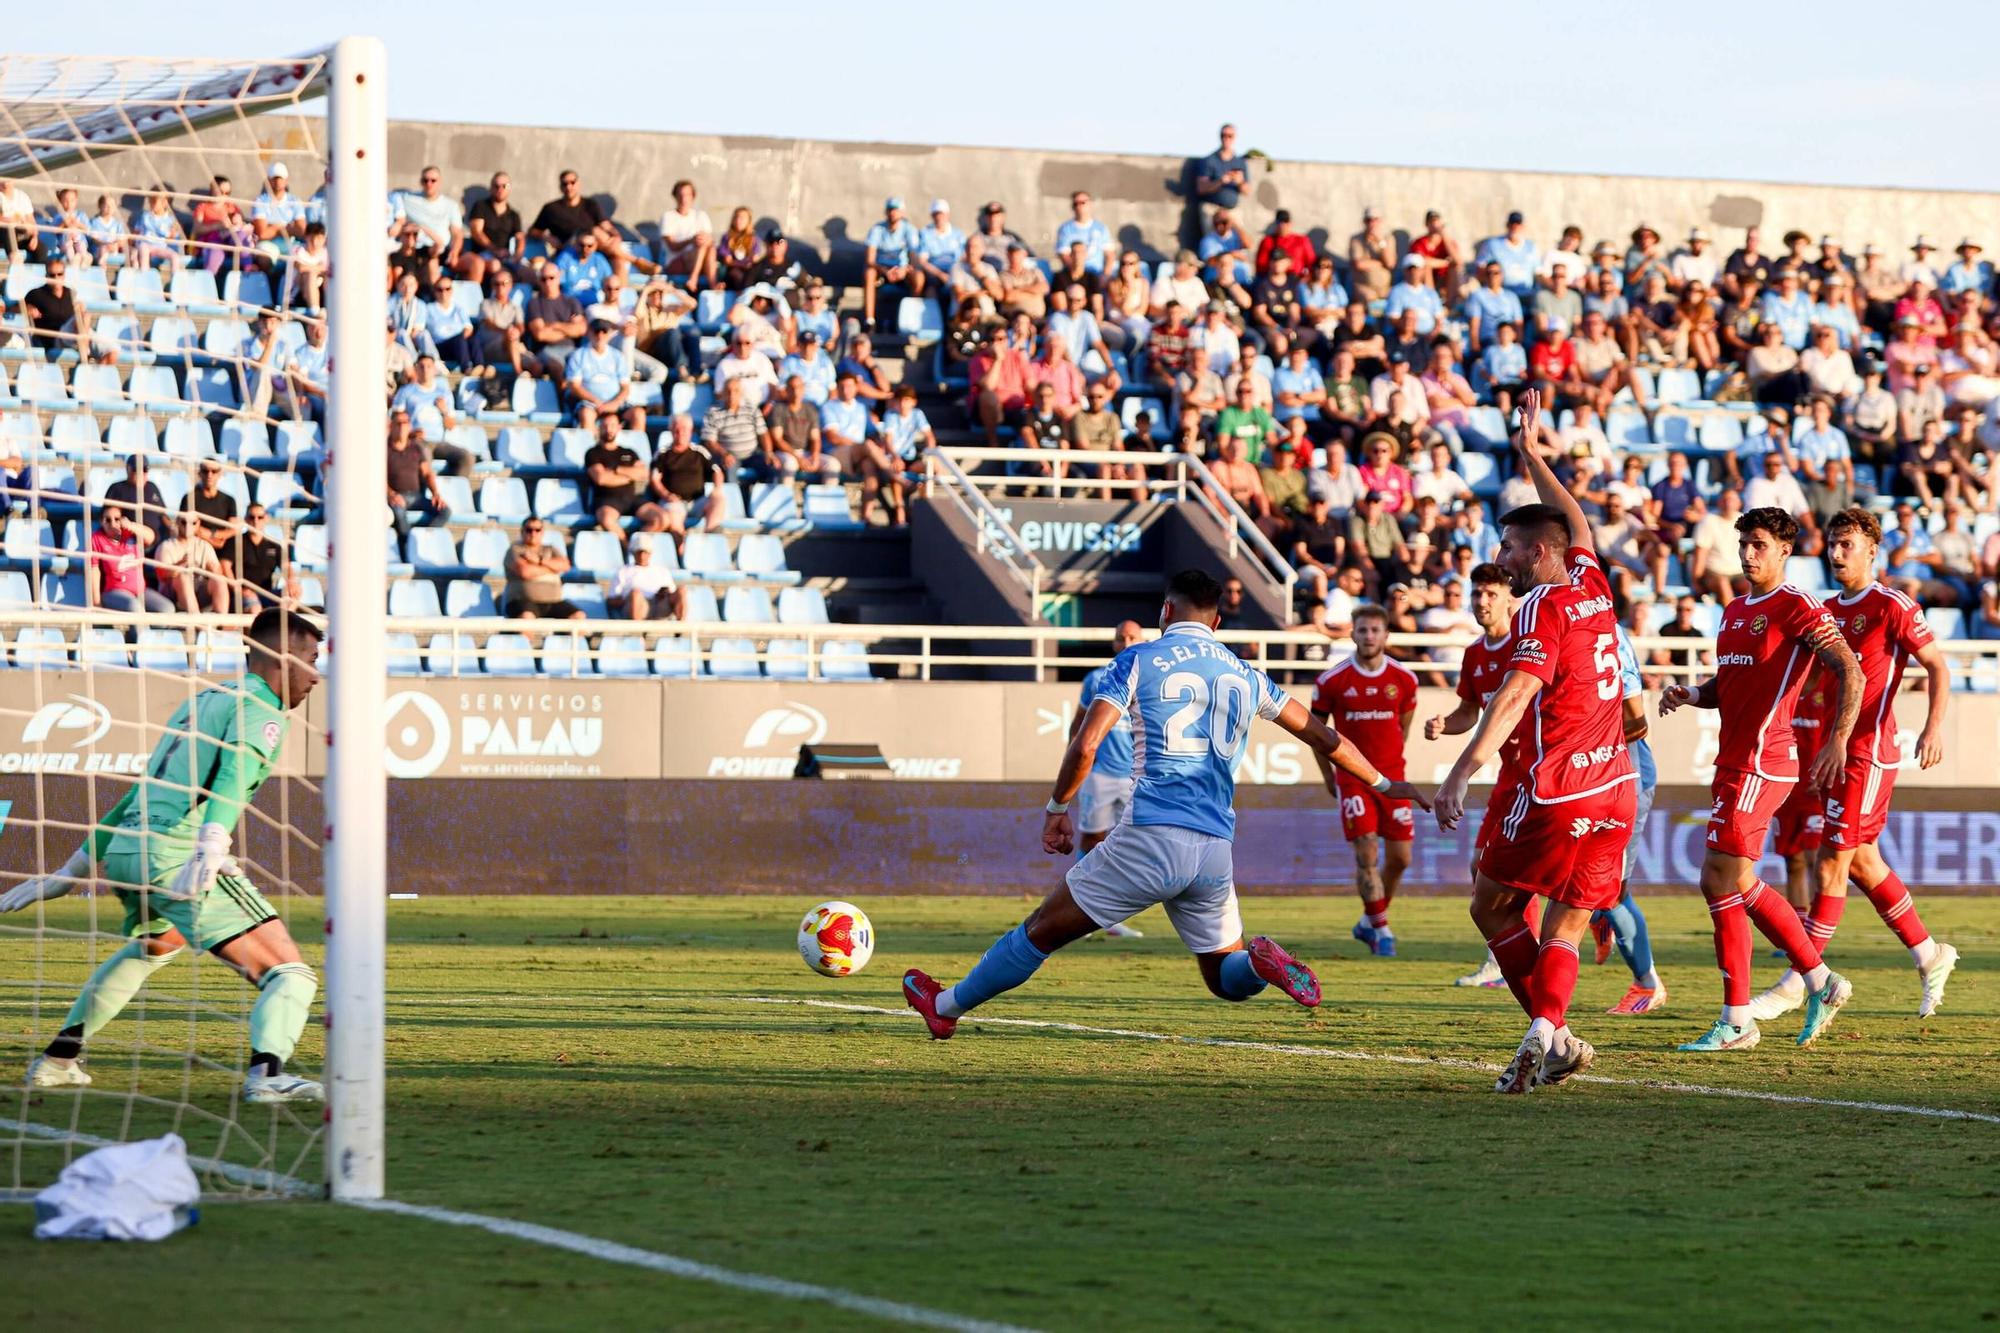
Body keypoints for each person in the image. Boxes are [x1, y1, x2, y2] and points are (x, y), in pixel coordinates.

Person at [900, 570, 1431, 1039]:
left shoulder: (1138, 658)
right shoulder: (1245, 673)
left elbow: (1086, 744)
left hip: (1150, 833)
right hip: (1214, 849)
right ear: (1218, 621)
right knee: (1225, 978)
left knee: (1041, 929)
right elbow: (1322, 735)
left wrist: (1056, 807)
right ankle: (1261, 967)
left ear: (1165, 612)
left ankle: (944, 1007)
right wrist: (1384, 784)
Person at [6, 609, 328, 1105]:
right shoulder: (263, 712)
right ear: (282, 659)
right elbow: (233, 776)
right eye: (311, 659)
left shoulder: (202, 702)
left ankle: (57, 1060)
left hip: (128, 853)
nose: (315, 674)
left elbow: (138, 795)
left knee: (157, 944)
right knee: (290, 973)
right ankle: (268, 1075)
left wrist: (71, 870)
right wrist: (214, 841)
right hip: (178, 855)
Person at [1432, 388, 1637, 1094]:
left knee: (1489, 905)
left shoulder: (1544, 606)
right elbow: (1577, 516)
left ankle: (1547, 1035)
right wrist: (1530, 454)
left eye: (1512, 548)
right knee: (1567, 924)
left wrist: (1461, 770)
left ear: (1539, 552)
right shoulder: (1593, 583)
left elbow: (1517, 693)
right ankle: (1552, 1037)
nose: (1504, 558)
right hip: (1618, 787)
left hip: (1557, 786)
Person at [1657, 506, 1863, 1052]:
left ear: (1785, 551)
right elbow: (1728, 685)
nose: (1749, 554)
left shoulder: (1795, 604)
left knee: (1717, 879)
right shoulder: (1732, 610)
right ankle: (1820, 981)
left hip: (1762, 760)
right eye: (1744, 544)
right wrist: (1692, 694)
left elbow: (1850, 667)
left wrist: (1839, 738)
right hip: (1733, 760)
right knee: (1738, 882)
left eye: (1759, 545)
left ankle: (1737, 1019)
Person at [1745, 508, 1959, 1024]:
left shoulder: (1893, 606)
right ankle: (1932, 955)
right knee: (1862, 862)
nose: (1837, 553)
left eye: (1846, 544)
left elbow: (1937, 665)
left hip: (1868, 751)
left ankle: (1799, 982)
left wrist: (1932, 729)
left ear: (1871, 550)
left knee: (1831, 863)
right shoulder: (1825, 609)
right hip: (1829, 748)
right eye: (1833, 544)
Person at [1425, 562, 1532, 989]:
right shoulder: (1474, 654)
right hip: (1509, 776)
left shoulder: (1526, 643)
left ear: (1509, 598)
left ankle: (1519, 958)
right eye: (1476, 595)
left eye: (1491, 594)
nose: (1482, 602)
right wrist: (1443, 725)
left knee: (1517, 874)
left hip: (1540, 772)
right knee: (1480, 867)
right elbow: (1469, 712)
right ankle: (1505, 959)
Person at [1311, 605, 1419, 957]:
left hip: (1394, 779)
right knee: (1367, 852)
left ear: (1386, 635)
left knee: (1401, 858)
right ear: (1352, 634)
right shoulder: (1332, 681)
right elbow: (1316, 733)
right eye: (1362, 630)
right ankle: (1383, 931)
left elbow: (1402, 729)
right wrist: (1330, 776)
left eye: (1375, 630)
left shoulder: (1405, 680)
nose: (1369, 636)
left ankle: (1367, 921)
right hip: (1353, 780)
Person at [1590, 623, 1666, 1014]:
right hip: (1581, 774)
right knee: (1567, 875)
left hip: (1624, 774)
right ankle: (1599, 915)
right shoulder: (1550, 622)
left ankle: (1647, 984)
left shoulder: (1607, 634)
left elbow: (1636, 722)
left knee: (1613, 888)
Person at [1069, 620, 1148, 939]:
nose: (1127, 642)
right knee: (1091, 840)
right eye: (1121, 638)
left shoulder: (1151, 677)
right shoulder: (1096, 679)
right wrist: (1073, 769)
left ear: (1142, 640)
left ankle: (1109, 917)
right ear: (1114, 643)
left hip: (1136, 778)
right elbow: (1078, 727)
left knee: (1128, 846)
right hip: (1100, 775)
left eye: (1133, 637)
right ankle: (1075, 912)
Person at [584, 413, 664, 537]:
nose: (609, 429)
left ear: (619, 427)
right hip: (607, 500)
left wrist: (616, 470)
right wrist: (630, 475)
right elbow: (601, 478)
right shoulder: (593, 453)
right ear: (599, 427)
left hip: (632, 499)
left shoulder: (629, 452)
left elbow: (643, 474)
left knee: (662, 518)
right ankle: (626, 549)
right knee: (606, 519)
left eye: (612, 425)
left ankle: (637, 545)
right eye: (605, 425)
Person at [385, 409, 450, 553]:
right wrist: (391, 494)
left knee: (444, 510)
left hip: (416, 496)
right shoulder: (383, 449)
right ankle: (407, 547)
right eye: (399, 423)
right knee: (399, 511)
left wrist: (435, 494)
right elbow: (378, 477)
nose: (402, 426)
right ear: (391, 426)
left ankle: (423, 541)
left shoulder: (416, 448)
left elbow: (427, 473)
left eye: (405, 423)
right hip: (396, 497)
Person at [87, 505, 172, 614]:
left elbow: (150, 537)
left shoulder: (130, 534)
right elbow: (94, 571)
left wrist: (130, 525)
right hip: (114, 592)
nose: (112, 523)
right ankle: (139, 631)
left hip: (141, 591)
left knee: (167, 609)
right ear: (101, 521)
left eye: (117, 519)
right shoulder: (97, 538)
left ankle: (148, 631)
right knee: (135, 606)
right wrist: (96, 602)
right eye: (107, 520)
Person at [502, 519, 584, 621]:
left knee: (578, 616)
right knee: (526, 617)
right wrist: (552, 568)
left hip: (553, 602)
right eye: (529, 530)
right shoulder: (515, 550)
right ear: (522, 531)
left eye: (537, 530)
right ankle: (526, 637)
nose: (533, 533)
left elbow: (565, 565)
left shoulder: (550, 549)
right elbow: (525, 572)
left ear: (542, 532)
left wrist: (539, 561)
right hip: (523, 601)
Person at [155, 512, 229, 614]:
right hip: (172, 597)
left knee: (219, 579)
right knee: (182, 577)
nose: (188, 526)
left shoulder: (204, 546)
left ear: (198, 524)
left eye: (193, 523)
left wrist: (213, 570)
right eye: (184, 522)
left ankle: (223, 623)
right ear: (177, 522)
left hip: (199, 593)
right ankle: (196, 621)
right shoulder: (166, 546)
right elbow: (161, 575)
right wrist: (180, 565)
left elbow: (218, 571)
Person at [863, 196, 919, 326]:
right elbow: (870, 259)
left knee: (918, 277)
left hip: (902, 270)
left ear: (902, 212)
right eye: (890, 209)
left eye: (896, 210)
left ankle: (913, 317)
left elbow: (915, 258)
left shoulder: (909, 230)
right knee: (869, 273)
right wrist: (885, 271)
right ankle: (869, 320)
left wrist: (904, 270)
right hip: (882, 270)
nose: (893, 213)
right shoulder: (877, 229)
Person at [609, 538, 684, 621]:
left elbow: (672, 593)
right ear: (633, 553)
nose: (642, 556)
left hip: (660, 606)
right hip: (637, 607)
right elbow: (612, 599)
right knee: (636, 594)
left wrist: (664, 593)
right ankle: (637, 630)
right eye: (639, 552)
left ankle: (681, 628)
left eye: (645, 552)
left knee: (682, 590)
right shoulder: (623, 571)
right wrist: (629, 597)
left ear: (650, 553)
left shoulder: (662, 571)